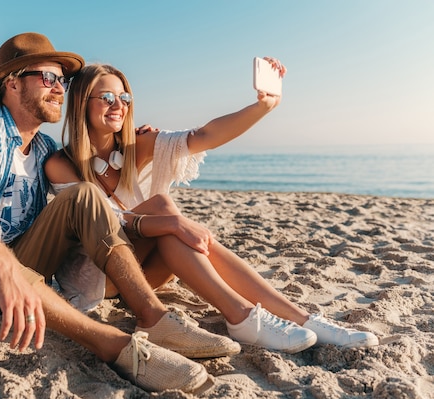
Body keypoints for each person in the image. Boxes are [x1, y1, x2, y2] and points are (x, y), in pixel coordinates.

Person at [0, 33, 241, 394]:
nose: (59, 89)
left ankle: (153, 318)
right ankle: (112, 345)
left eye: (63, 80)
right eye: (48, 78)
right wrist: (1, 263)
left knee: (84, 195)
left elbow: (96, 208)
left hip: (15, 288)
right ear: (12, 83)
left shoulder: (45, 149)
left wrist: (125, 141)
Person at [45, 62, 380, 353]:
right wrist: (173, 224)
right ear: (81, 103)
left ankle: (298, 317)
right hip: (95, 277)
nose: (117, 104)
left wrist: (263, 106)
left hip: (142, 272)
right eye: (106, 97)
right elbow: (103, 223)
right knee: (164, 210)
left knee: (165, 213)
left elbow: (203, 135)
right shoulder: (61, 164)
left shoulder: (135, 145)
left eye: (124, 97)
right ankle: (242, 316)